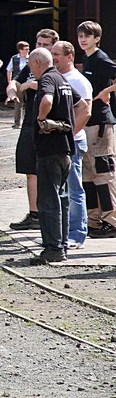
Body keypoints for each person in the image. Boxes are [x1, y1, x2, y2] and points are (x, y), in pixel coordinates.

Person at [27, 47, 85, 264]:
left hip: (50, 150)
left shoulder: (47, 80)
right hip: (66, 149)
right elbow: (82, 105)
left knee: (48, 200)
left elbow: (47, 101)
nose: (31, 71)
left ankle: (53, 248)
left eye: (32, 66)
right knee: (62, 199)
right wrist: (70, 128)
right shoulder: (62, 79)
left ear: (38, 63)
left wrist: (42, 120)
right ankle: (61, 245)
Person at [7, 29, 60, 230]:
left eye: (46, 45)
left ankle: (52, 216)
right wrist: (14, 90)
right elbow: (16, 82)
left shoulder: (55, 67)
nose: (41, 48)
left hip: (49, 123)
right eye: (39, 44)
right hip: (29, 122)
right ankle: (34, 214)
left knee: (50, 171)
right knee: (30, 169)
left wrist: (32, 86)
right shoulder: (31, 65)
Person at [76, 20, 116, 239]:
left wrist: (107, 91)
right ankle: (93, 219)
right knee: (88, 175)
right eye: (81, 35)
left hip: (100, 123)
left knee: (104, 173)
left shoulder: (101, 59)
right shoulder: (86, 58)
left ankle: (111, 220)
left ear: (97, 38)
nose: (83, 39)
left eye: (87, 36)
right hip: (88, 123)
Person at [51, 40, 91, 248]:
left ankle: (77, 233)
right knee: (61, 190)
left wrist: (68, 135)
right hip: (61, 143)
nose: (53, 57)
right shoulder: (55, 77)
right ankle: (63, 233)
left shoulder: (78, 81)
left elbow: (85, 111)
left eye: (57, 54)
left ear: (70, 56)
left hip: (73, 143)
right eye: (52, 53)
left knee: (74, 189)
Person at [6, 41, 30, 128]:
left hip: (28, 82)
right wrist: (10, 82)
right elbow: (9, 70)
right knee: (18, 103)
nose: (27, 51)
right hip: (18, 83)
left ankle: (28, 122)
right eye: (25, 49)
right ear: (20, 50)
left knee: (30, 102)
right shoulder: (14, 58)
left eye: (28, 49)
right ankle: (17, 123)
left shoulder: (30, 58)